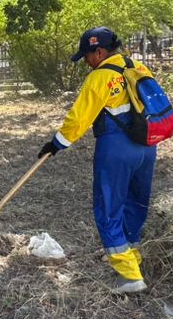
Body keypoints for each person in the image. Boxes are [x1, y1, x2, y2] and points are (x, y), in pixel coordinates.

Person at [37, 27, 157, 294]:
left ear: (99, 51)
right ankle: (131, 256)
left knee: (109, 207)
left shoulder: (100, 77)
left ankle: (129, 277)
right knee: (135, 202)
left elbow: (79, 118)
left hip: (116, 148)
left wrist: (56, 144)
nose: (86, 62)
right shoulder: (138, 67)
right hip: (146, 146)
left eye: (87, 56)